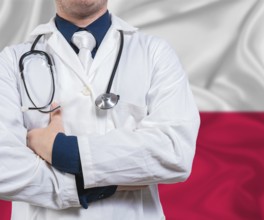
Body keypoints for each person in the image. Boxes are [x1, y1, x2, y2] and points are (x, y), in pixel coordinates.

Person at [0, 0, 200, 219]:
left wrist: (59, 149)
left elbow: (174, 152)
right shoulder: (10, 62)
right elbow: (4, 169)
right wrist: (97, 187)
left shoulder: (154, 52)